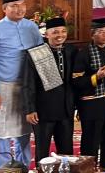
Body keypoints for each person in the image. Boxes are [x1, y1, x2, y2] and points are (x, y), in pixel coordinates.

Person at [0, 0, 43, 168]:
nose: (19, 9)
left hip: (27, 86)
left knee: (24, 129)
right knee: (1, 130)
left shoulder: (31, 28)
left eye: (22, 5)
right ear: (4, 9)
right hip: (3, 87)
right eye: (14, 6)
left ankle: (22, 167)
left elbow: (40, 55)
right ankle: (1, 167)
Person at [21, 16, 77, 166]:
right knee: (42, 150)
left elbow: (76, 81)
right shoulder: (35, 54)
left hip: (66, 110)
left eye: (63, 31)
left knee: (66, 150)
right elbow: (28, 84)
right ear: (46, 34)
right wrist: (30, 109)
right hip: (43, 111)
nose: (60, 35)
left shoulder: (72, 51)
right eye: (55, 32)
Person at [71, 17, 105, 172]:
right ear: (93, 34)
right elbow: (77, 81)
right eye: (101, 32)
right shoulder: (84, 54)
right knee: (91, 138)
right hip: (92, 103)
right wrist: (96, 77)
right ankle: (87, 167)